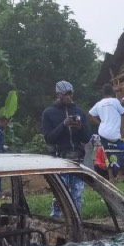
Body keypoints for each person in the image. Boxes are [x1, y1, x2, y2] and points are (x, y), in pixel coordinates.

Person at [41, 80, 91, 217]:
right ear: (58, 95)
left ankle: (77, 221)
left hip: (77, 158)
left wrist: (79, 128)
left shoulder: (79, 111)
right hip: (59, 159)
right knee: (60, 195)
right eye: (65, 94)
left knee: (77, 193)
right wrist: (63, 125)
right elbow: (48, 138)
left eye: (70, 94)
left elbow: (87, 138)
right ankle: (56, 222)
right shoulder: (49, 113)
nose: (69, 97)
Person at [89, 83, 124, 182]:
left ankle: (111, 177)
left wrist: (100, 123)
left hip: (103, 132)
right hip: (114, 132)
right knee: (120, 152)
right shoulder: (115, 101)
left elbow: (90, 114)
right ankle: (120, 175)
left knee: (107, 153)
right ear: (112, 92)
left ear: (103, 93)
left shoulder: (99, 103)